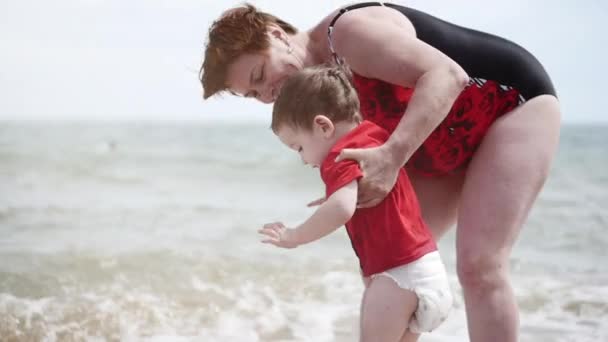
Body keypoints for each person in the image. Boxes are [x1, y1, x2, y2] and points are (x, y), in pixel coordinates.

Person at [200, 3, 561, 341]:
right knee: (385, 272)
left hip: (508, 104)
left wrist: (391, 157)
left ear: (275, 34)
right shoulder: (311, 91)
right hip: (438, 145)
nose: (267, 94)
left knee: (479, 265)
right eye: (253, 93)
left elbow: (447, 75)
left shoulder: (348, 34)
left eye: (260, 74)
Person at [260, 65, 452, 342]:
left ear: (322, 126)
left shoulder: (339, 156)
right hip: (427, 272)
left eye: (299, 147)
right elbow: (367, 192)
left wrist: (294, 236)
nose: (303, 160)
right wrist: (337, 192)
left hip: (398, 279)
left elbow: (342, 209)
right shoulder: (374, 137)